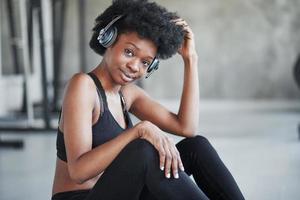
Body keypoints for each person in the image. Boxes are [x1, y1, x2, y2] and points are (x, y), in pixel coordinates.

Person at [51, 0, 245, 199]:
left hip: (123, 193)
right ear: (109, 39)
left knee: (196, 146)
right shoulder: (83, 86)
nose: (135, 66)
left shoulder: (127, 94)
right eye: (129, 52)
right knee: (143, 150)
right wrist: (140, 130)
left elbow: (186, 128)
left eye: (145, 62)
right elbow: (78, 172)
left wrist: (190, 59)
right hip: (80, 197)